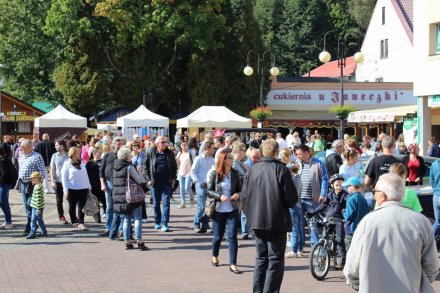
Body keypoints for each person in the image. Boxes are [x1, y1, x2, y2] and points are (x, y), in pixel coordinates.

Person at [344, 173, 438, 292]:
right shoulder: (421, 222)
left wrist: (365, 286)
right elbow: (432, 267)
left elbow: (352, 269)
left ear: (382, 195)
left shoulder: (366, 223)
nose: (373, 195)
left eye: (375, 191)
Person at [242, 139, 298, 293]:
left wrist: (250, 215)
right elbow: (292, 198)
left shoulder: (252, 169)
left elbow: (243, 198)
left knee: (261, 259)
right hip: (276, 220)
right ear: (276, 152)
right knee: (275, 260)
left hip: (257, 221)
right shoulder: (280, 169)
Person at [207, 150, 242, 273]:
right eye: (229, 157)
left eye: (232, 157)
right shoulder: (214, 173)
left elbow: (241, 189)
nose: (232, 159)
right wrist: (219, 196)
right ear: (223, 159)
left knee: (232, 236)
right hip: (218, 210)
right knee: (218, 236)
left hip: (232, 208)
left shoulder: (235, 173)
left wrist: (238, 194)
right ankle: (215, 256)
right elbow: (209, 191)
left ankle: (233, 264)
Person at [305, 174, 348, 268]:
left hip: (339, 218)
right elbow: (322, 206)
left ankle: (343, 261)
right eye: (337, 185)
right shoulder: (330, 195)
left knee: (339, 239)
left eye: (341, 185)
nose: (339, 187)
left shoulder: (345, 195)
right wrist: (312, 213)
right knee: (325, 236)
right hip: (330, 217)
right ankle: (323, 258)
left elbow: (348, 205)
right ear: (332, 185)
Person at [112, 147, 148, 250]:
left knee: (126, 219)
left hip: (121, 196)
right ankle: (139, 241)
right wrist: (140, 173)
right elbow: (139, 180)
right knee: (137, 218)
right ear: (128, 156)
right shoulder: (129, 167)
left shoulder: (115, 166)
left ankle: (127, 242)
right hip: (132, 196)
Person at [294, 144, 328, 247]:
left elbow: (324, 179)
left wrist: (323, 194)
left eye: (299, 154)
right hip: (298, 199)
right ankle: (299, 246)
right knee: (299, 223)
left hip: (312, 199)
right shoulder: (297, 164)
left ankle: (314, 245)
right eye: (297, 154)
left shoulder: (318, 164)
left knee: (312, 223)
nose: (298, 156)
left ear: (306, 152)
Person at [144, 136, 177, 232]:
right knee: (155, 203)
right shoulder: (151, 153)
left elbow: (174, 167)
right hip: (155, 182)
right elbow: (146, 167)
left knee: (166, 203)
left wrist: (174, 178)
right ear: (157, 143)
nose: (165, 144)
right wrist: (148, 179)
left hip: (167, 182)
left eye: (166, 142)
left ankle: (165, 223)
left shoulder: (170, 153)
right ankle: (157, 221)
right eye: (162, 142)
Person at [18, 139, 46, 235]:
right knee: (26, 205)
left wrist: (38, 183)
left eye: (23, 147)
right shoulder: (22, 156)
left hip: (32, 184)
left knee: (31, 204)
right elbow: (21, 170)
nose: (21, 149)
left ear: (29, 147)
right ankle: (31, 224)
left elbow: (42, 171)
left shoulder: (37, 156)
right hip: (23, 183)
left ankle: (31, 226)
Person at [99, 136, 125, 238]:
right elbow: (101, 171)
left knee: (121, 208)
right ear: (113, 144)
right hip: (109, 184)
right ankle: (108, 228)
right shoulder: (107, 156)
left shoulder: (124, 156)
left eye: (122, 143)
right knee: (109, 207)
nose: (120, 145)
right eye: (118, 143)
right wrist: (102, 183)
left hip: (121, 185)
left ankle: (121, 229)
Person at [61, 146, 91, 230]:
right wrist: (65, 190)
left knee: (82, 206)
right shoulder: (67, 164)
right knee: (72, 206)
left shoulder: (82, 163)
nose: (79, 154)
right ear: (72, 154)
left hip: (83, 188)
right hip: (71, 188)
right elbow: (64, 178)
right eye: (77, 153)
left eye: (79, 152)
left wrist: (89, 186)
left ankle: (81, 223)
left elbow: (85, 175)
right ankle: (74, 221)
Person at [190, 142, 215, 233]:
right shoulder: (198, 159)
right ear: (207, 149)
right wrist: (198, 182)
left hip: (209, 185)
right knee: (201, 206)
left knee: (208, 206)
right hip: (200, 185)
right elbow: (192, 171)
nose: (214, 150)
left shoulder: (212, 159)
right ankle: (196, 223)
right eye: (212, 148)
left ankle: (205, 224)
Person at [342, 177, 369, 251]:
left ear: (352, 187)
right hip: (361, 229)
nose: (347, 188)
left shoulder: (351, 199)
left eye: (348, 186)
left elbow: (349, 216)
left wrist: (343, 212)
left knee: (350, 251)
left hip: (351, 230)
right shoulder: (363, 199)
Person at [285, 163, 304, 258]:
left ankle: (294, 250)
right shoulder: (299, 179)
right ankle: (300, 249)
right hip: (299, 204)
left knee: (294, 228)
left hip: (293, 205)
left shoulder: (291, 180)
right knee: (300, 228)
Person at [50, 139, 69, 224]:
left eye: (57, 145)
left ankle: (73, 215)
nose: (55, 147)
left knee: (70, 199)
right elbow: (52, 168)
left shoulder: (69, 155)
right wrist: (52, 180)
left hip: (68, 181)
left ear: (62, 145)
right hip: (58, 181)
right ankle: (61, 216)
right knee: (59, 200)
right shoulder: (54, 156)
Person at [86, 144, 107, 223]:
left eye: (101, 152)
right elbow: (86, 175)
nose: (100, 154)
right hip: (93, 186)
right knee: (95, 203)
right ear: (94, 153)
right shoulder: (89, 163)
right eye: (98, 152)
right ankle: (97, 219)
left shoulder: (103, 161)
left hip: (102, 186)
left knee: (105, 202)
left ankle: (107, 215)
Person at [26, 171, 48, 239]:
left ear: (37, 178)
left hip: (37, 207)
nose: (31, 180)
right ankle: (44, 231)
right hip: (35, 206)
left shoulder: (38, 187)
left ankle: (32, 233)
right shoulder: (37, 186)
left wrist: (38, 208)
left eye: (32, 178)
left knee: (33, 220)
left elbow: (38, 199)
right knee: (40, 220)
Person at [130, 140, 147, 222]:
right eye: (134, 146)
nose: (135, 147)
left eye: (137, 146)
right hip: (131, 179)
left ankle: (144, 216)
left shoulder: (142, 155)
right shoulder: (130, 155)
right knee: (132, 197)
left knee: (141, 197)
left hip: (139, 178)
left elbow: (142, 166)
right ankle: (133, 216)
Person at [0, 148, 17, 230]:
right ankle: (7, 221)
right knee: (4, 203)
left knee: (3, 203)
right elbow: (15, 172)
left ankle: (9, 222)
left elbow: (4, 174)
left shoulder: (2, 161)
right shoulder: (7, 159)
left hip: (3, 185)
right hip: (6, 184)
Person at [175, 141, 194, 208]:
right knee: (181, 188)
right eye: (182, 145)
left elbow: (194, 161)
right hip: (181, 173)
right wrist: (178, 168)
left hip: (189, 172)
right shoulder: (179, 153)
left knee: (187, 187)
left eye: (185, 145)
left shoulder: (190, 153)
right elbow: (177, 161)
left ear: (187, 146)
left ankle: (191, 196)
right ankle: (183, 203)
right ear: (180, 146)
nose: (184, 146)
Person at [429, 156, 440, 241]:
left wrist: (436, 190)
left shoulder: (434, 164)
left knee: (437, 222)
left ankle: (429, 242)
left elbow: (431, 181)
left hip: (436, 196)